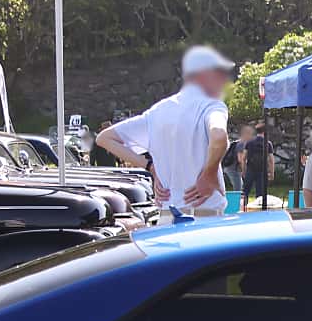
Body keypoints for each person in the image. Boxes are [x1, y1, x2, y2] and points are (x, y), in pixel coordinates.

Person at [95, 45, 235, 220]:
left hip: (168, 220)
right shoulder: (211, 106)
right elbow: (220, 136)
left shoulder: (158, 111)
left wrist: (150, 168)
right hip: (204, 220)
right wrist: (209, 174)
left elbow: (105, 138)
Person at [241, 121, 272, 201]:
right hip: (262, 170)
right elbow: (271, 160)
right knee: (260, 193)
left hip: (250, 169)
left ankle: (243, 207)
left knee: (245, 191)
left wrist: (243, 170)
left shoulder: (249, 142)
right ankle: (259, 210)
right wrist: (271, 172)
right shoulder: (268, 143)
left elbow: (243, 158)